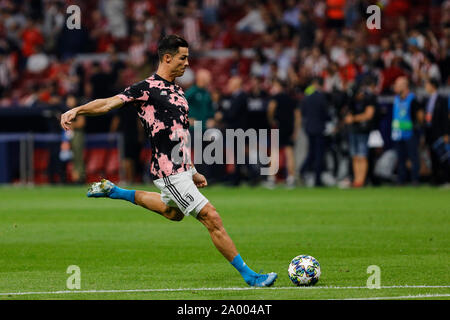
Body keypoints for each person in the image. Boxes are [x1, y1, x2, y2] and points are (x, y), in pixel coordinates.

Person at [60, 35, 277, 287]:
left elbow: (180, 136)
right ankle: (251, 277)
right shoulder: (145, 88)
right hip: (168, 170)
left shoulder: (177, 91)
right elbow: (108, 104)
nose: (187, 62)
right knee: (211, 217)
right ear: (167, 57)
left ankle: (115, 191)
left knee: (172, 212)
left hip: (181, 168)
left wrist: (193, 170)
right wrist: (77, 109)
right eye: (183, 57)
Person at [391, 76, 424, 185]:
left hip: (410, 134)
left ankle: (415, 179)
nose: (395, 87)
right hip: (398, 134)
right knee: (400, 159)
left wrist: (420, 130)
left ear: (405, 86)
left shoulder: (413, 99)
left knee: (413, 157)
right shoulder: (396, 99)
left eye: (397, 84)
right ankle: (401, 180)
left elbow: (420, 116)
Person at [344, 80, 377, 188]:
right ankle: (356, 180)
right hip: (353, 131)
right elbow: (347, 114)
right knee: (355, 156)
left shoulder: (368, 99)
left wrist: (353, 118)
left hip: (363, 131)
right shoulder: (351, 100)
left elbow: (369, 115)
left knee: (362, 156)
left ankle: (361, 180)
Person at [298, 77, 330, 187]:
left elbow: (303, 112)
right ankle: (317, 179)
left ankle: (303, 170)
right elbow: (326, 114)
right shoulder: (321, 97)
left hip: (309, 128)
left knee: (311, 153)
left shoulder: (307, 97)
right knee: (319, 155)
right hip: (319, 128)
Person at [423, 78, 449, 185]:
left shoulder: (442, 99)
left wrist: (447, 133)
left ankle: (447, 179)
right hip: (430, 132)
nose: (425, 87)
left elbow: (445, 118)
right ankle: (436, 180)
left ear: (433, 85)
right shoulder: (427, 100)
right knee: (432, 156)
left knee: (443, 157)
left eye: (427, 84)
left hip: (440, 132)